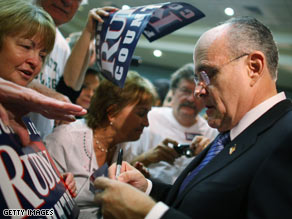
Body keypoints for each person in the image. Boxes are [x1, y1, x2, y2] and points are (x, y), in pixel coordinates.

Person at [93, 16, 292, 219]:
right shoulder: (233, 130)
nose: (198, 91)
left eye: (208, 75)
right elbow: (199, 201)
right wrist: (147, 188)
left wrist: (151, 214)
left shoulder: (286, 136)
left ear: (254, 67)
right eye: (198, 78)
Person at [0, 0, 85, 211]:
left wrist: (53, 184)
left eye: (42, 55)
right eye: (26, 46)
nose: (35, 61)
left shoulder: (28, 121)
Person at [44, 71, 155, 218]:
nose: (146, 123)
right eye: (141, 113)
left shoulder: (124, 148)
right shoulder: (64, 140)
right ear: (112, 112)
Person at [29, 0, 117, 139]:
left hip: (35, 142)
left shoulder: (62, 45)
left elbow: (68, 88)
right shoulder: (11, 20)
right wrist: (48, 95)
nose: (67, 1)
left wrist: (89, 32)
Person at [123, 63, 218, 184]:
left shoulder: (210, 132)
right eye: (185, 91)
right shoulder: (149, 118)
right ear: (173, 92)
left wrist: (207, 157)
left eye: (197, 94)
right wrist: (148, 158)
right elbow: (122, 167)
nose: (190, 99)